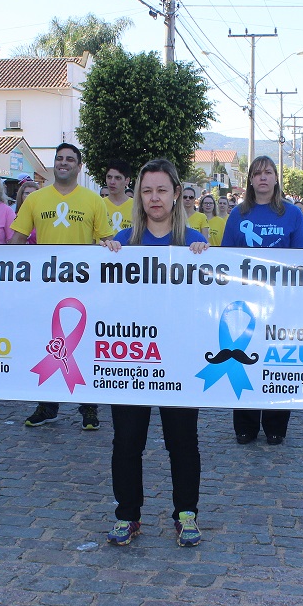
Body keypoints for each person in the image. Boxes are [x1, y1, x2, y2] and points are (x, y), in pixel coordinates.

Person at [101, 158, 208, 547]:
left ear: (177, 194)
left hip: (179, 360)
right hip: (132, 358)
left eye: (162, 190)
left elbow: (209, 301)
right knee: (127, 441)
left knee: (182, 442)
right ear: (138, 195)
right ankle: (127, 515)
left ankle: (186, 513)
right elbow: (106, 301)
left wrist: (206, 259)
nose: (154, 197)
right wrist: (105, 259)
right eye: (147, 190)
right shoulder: (123, 243)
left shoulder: (194, 244)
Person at [10, 143, 113, 430]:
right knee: (48, 344)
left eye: (70, 159)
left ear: (79, 167)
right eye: (59, 159)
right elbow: (16, 241)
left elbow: (106, 243)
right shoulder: (36, 199)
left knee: (84, 345)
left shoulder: (94, 201)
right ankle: (47, 405)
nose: (63, 163)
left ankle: (88, 406)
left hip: (83, 286)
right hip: (46, 286)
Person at [222, 155, 303, 445]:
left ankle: (275, 425)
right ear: (250, 180)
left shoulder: (291, 214)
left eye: (268, 172)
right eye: (257, 173)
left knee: (276, 361)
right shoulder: (238, 215)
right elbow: (227, 260)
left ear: (275, 179)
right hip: (245, 303)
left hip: (281, 303)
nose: (263, 178)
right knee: (243, 358)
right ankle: (245, 425)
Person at [103, 159, 134, 236]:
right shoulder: (98, 204)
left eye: (118, 178)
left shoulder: (136, 207)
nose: (112, 182)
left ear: (127, 180)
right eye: (109, 177)